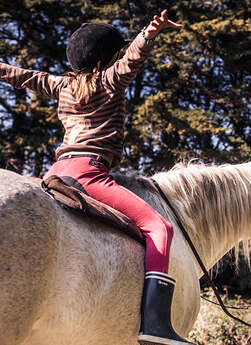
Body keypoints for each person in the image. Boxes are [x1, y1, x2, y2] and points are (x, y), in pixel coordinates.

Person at [0, 10, 194, 345]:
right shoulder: (109, 80)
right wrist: (150, 31)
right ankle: (155, 323)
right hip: (89, 172)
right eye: (115, 55)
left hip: (57, 173)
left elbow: (22, 76)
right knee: (160, 228)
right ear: (107, 59)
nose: (120, 58)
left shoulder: (61, 85)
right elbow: (133, 58)